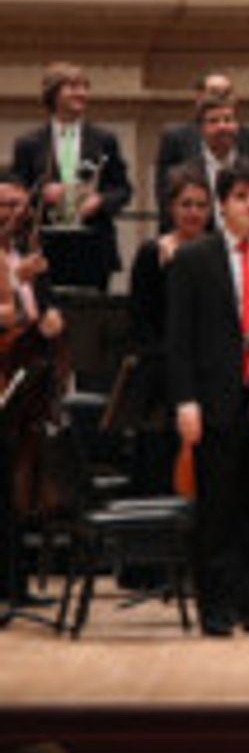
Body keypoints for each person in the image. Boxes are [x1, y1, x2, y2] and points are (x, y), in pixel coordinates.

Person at [166, 158, 249, 637]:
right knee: (216, 510)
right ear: (222, 206)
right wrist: (185, 401)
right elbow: (177, 340)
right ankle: (216, 608)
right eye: (241, 197)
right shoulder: (193, 259)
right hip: (213, 397)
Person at [127, 165, 214, 497]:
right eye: (186, 204)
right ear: (170, 208)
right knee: (159, 467)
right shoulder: (152, 253)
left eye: (201, 205)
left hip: (208, 374)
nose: (194, 212)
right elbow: (142, 320)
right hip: (162, 379)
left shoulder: (217, 253)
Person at [0, 173, 65, 609]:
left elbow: (35, 311)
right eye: (5, 205)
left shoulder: (25, 255)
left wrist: (50, 318)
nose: (14, 213)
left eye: (20, 205)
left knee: (16, 484)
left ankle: (15, 582)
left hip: (26, 382)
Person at [11, 61, 131, 291]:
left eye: (85, 87)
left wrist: (100, 201)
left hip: (92, 245)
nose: (82, 93)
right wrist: (41, 193)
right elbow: (17, 193)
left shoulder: (105, 140)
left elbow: (123, 189)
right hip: (45, 246)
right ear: (53, 93)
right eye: (73, 87)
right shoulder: (29, 143)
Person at [155, 70, 249, 232]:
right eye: (214, 121)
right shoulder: (176, 141)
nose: (222, 126)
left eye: (228, 120)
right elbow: (165, 199)